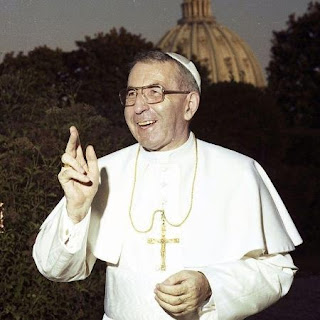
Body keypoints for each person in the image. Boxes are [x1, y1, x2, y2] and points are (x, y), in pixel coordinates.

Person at [33, 51, 302, 320]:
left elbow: (277, 270)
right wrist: (76, 211)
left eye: (154, 92)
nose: (138, 107)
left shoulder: (239, 171)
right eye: (131, 94)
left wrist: (210, 286)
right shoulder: (102, 171)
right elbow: (53, 268)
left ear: (189, 105)